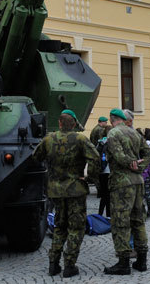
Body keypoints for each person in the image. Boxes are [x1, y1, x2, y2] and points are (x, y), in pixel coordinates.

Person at [33, 110, 100, 277]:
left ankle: (53, 264)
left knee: (59, 226)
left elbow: (36, 157)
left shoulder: (48, 139)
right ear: (74, 124)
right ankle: (69, 265)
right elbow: (95, 157)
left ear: (60, 123)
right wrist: (89, 177)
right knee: (76, 227)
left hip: (55, 190)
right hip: (75, 189)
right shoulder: (80, 139)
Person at [104, 108, 150, 275]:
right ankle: (142, 260)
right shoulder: (134, 133)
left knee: (121, 222)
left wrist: (130, 163)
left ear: (112, 119)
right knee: (138, 220)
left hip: (121, 183)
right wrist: (139, 166)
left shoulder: (113, 134)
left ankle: (123, 263)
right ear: (123, 119)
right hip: (138, 181)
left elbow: (118, 156)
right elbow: (149, 153)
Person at [97, 127, 112, 217]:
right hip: (109, 170)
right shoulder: (111, 142)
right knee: (108, 195)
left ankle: (100, 214)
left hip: (101, 171)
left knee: (104, 195)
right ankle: (108, 215)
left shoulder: (100, 142)